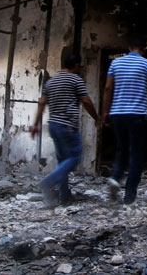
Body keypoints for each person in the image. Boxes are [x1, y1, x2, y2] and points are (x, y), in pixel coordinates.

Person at [103, 37, 147, 205]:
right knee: (136, 154)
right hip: (137, 115)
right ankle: (129, 195)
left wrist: (105, 111)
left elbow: (107, 88)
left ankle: (115, 178)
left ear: (129, 47)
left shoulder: (115, 64)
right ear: (144, 49)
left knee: (122, 149)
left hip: (117, 114)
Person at [30, 53, 99, 206]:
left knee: (62, 161)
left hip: (53, 125)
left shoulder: (51, 82)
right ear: (75, 65)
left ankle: (64, 196)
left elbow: (42, 103)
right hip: (67, 125)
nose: (80, 69)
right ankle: (49, 182)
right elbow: (86, 101)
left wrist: (35, 124)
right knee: (75, 157)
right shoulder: (76, 80)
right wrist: (96, 118)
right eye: (79, 66)